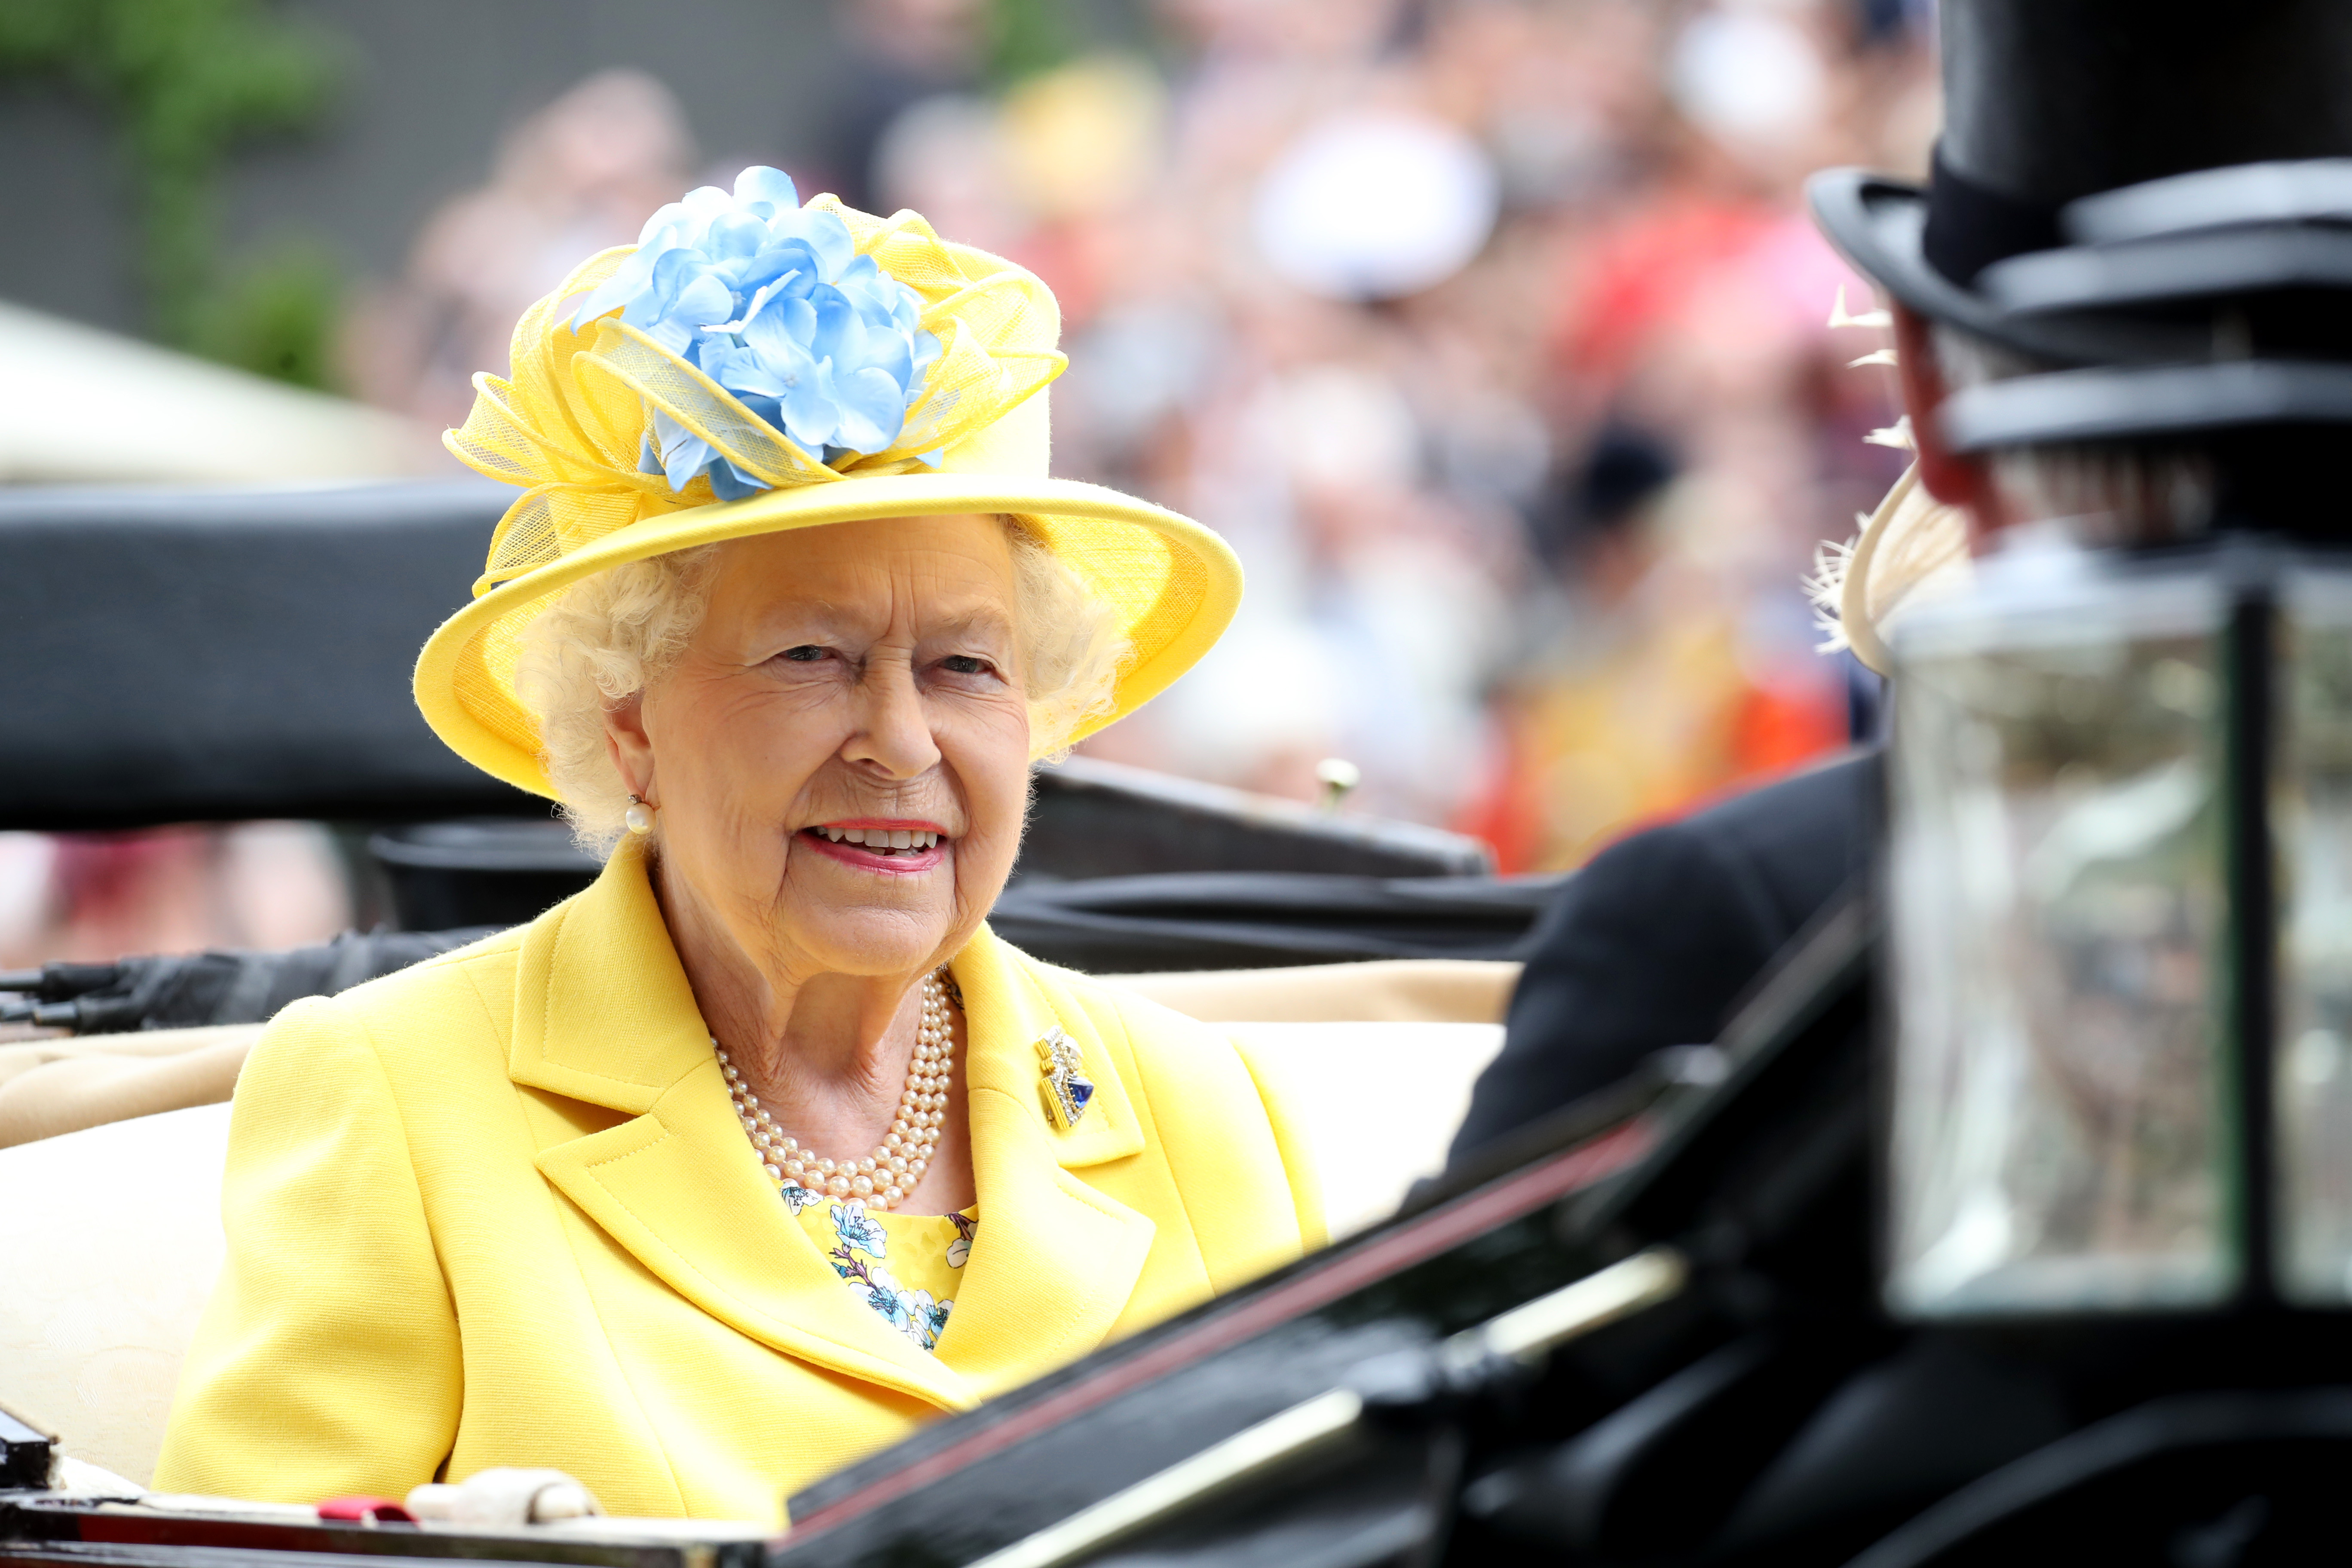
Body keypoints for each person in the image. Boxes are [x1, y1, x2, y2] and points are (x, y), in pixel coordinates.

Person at [153, 168, 1321, 1524]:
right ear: (631, 718)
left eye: (962, 665)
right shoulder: (397, 1101)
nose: (900, 740)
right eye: (811, 656)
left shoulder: (1206, 1115)